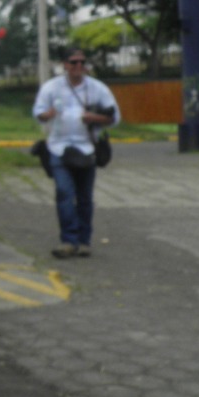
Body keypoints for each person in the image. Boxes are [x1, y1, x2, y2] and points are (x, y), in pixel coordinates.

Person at [32, 48, 121, 259]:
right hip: (58, 147)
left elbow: (115, 117)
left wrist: (94, 118)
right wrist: (48, 114)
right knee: (64, 192)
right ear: (65, 64)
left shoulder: (97, 88)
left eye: (82, 62)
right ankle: (68, 240)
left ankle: (83, 241)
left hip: (87, 148)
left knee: (84, 198)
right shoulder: (52, 87)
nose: (78, 66)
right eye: (73, 62)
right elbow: (38, 113)